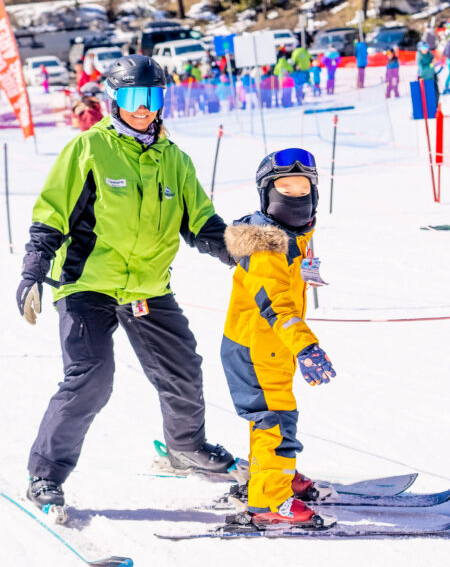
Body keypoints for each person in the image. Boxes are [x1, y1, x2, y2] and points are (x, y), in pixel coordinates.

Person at [16, 55, 235, 512]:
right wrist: (33, 272)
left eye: (153, 97)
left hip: (148, 289)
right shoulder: (89, 149)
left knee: (182, 370)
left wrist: (247, 251)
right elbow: (51, 216)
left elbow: (203, 225)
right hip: (88, 285)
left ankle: (185, 448)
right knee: (91, 377)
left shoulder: (174, 159)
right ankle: (45, 474)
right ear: (115, 101)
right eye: (134, 97)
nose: (144, 107)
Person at [221, 148, 337, 528]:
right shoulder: (266, 246)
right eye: (284, 189)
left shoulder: (292, 238)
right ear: (267, 196)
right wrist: (307, 345)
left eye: (302, 188)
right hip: (258, 347)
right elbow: (277, 306)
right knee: (275, 421)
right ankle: (270, 501)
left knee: (271, 418)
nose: (295, 197)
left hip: (269, 347)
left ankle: (273, 477)